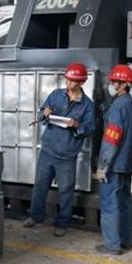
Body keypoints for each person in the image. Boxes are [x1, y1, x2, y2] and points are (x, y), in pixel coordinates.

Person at [22, 62, 95, 237]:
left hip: (67, 155)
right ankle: (36, 216)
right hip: (48, 150)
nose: (68, 82)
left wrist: (77, 125)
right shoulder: (56, 95)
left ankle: (62, 223)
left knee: (65, 192)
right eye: (67, 79)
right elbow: (40, 115)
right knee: (40, 186)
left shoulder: (87, 105)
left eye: (73, 80)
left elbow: (91, 128)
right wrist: (44, 114)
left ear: (82, 82)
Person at [94, 65, 132, 255]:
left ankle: (112, 245)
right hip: (127, 163)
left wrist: (102, 166)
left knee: (109, 204)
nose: (111, 85)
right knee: (125, 203)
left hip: (113, 165)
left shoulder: (117, 108)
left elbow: (111, 140)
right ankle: (125, 240)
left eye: (114, 82)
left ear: (124, 85)